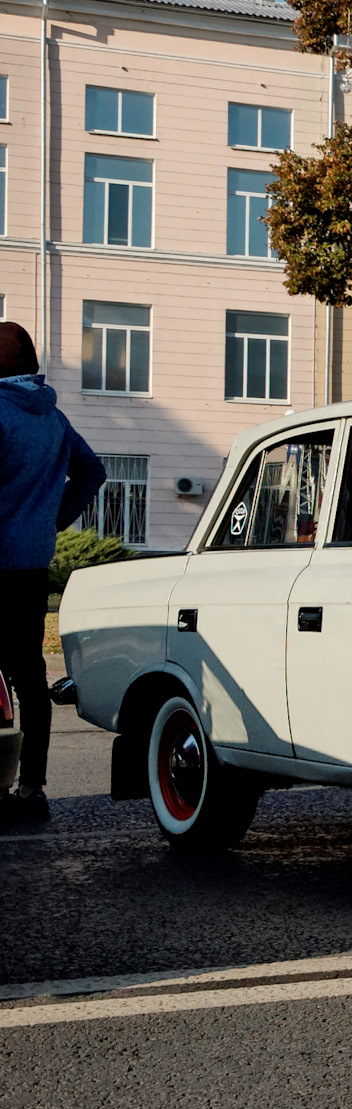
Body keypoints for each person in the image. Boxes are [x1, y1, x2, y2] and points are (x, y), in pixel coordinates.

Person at [0, 323, 105, 823]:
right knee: (29, 677)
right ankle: (31, 790)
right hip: (30, 565)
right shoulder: (54, 418)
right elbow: (93, 472)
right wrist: (50, 521)